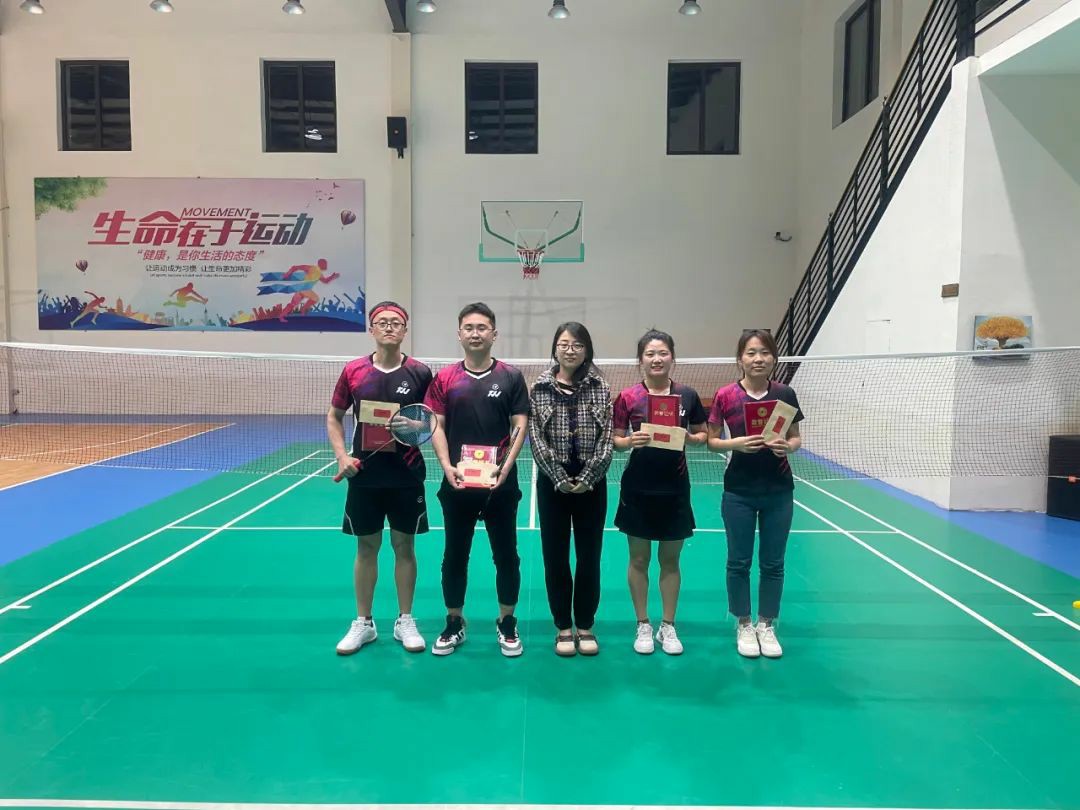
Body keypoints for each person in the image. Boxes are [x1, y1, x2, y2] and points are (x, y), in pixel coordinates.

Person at [327, 301, 432, 655]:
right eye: (382, 322)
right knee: (366, 547)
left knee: (405, 547)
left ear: (405, 330)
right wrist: (342, 456)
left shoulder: (420, 373)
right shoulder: (354, 371)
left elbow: (433, 421)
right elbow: (334, 416)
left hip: (406, 473)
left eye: (396, 323)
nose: (389, 327)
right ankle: (364, 622)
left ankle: (405, 620)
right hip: (365, 474)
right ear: (372, 329)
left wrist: (415, 425)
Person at [425, 302, 529, 657]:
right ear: (459, 334)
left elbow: (520, 425)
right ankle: (454, 622)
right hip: (457, 484)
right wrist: (446, 465)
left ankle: (507, 621)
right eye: (469, 327)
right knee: (455, 555)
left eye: (482, 327)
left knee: (507, 556)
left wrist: (505, 467)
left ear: (494, 334)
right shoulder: (444, 379)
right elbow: (436, 424)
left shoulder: (511, 377)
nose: (475, 333)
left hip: (500, 485)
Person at [707, 329, 803, 659]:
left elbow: (796, 437)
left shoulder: (785, 393)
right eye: (751, 352)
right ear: (740, 359)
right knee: (739, 561)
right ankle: (744, 623)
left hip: (779, 491)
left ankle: (767, 624)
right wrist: (737, 444)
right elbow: (712, 441)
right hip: (739, 491)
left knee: (774, 562)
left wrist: (787, 446)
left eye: (764, 352)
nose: (758, 358)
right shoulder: (726, 396)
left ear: (774, 358)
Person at [613, 329, 707, 655]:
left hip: (675, 489)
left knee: (670, 560)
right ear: (641, 360)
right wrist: (630, 441)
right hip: (638, 489)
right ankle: (643, 624)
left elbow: (703, 435)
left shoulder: (687, 396)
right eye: (650, 353)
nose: (657, 359)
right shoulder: (628, 397)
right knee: (638, 559)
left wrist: (689, 437)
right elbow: (616, 440)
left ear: (672, 357)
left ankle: (668, 625)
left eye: (663, 353)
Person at [529, 322, 613, 656]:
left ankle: (586, 625)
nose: (570, 350)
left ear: (587, 350)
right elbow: (535, 437)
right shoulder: (539, 388)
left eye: (577, 345)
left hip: (593, 486)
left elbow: (607, 438)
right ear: (555, 348)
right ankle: (563, 626)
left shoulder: (601, 387)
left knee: (589, 557)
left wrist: (589, 477)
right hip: (553, 486)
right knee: (555, 557)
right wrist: (559, 477)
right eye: (564, 344)